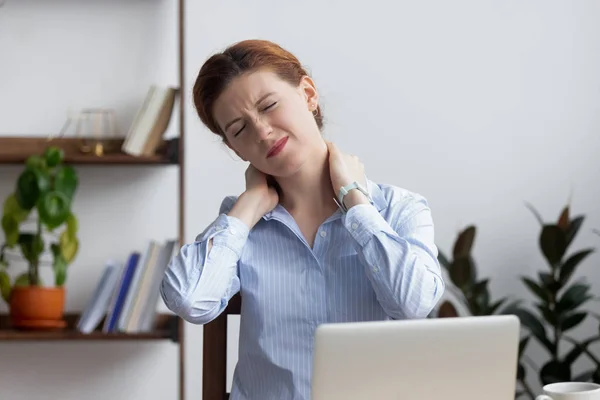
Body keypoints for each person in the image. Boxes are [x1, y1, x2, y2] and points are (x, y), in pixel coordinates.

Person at [160, 39, 445, 400]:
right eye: (239, 129)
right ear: (234, 148)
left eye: (269, 106)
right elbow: (188, 300)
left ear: (307, 94)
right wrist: (248, 207)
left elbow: (414, 303)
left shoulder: (398, 209)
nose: (261, 131)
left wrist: (356, 203)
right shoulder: (238, 226)